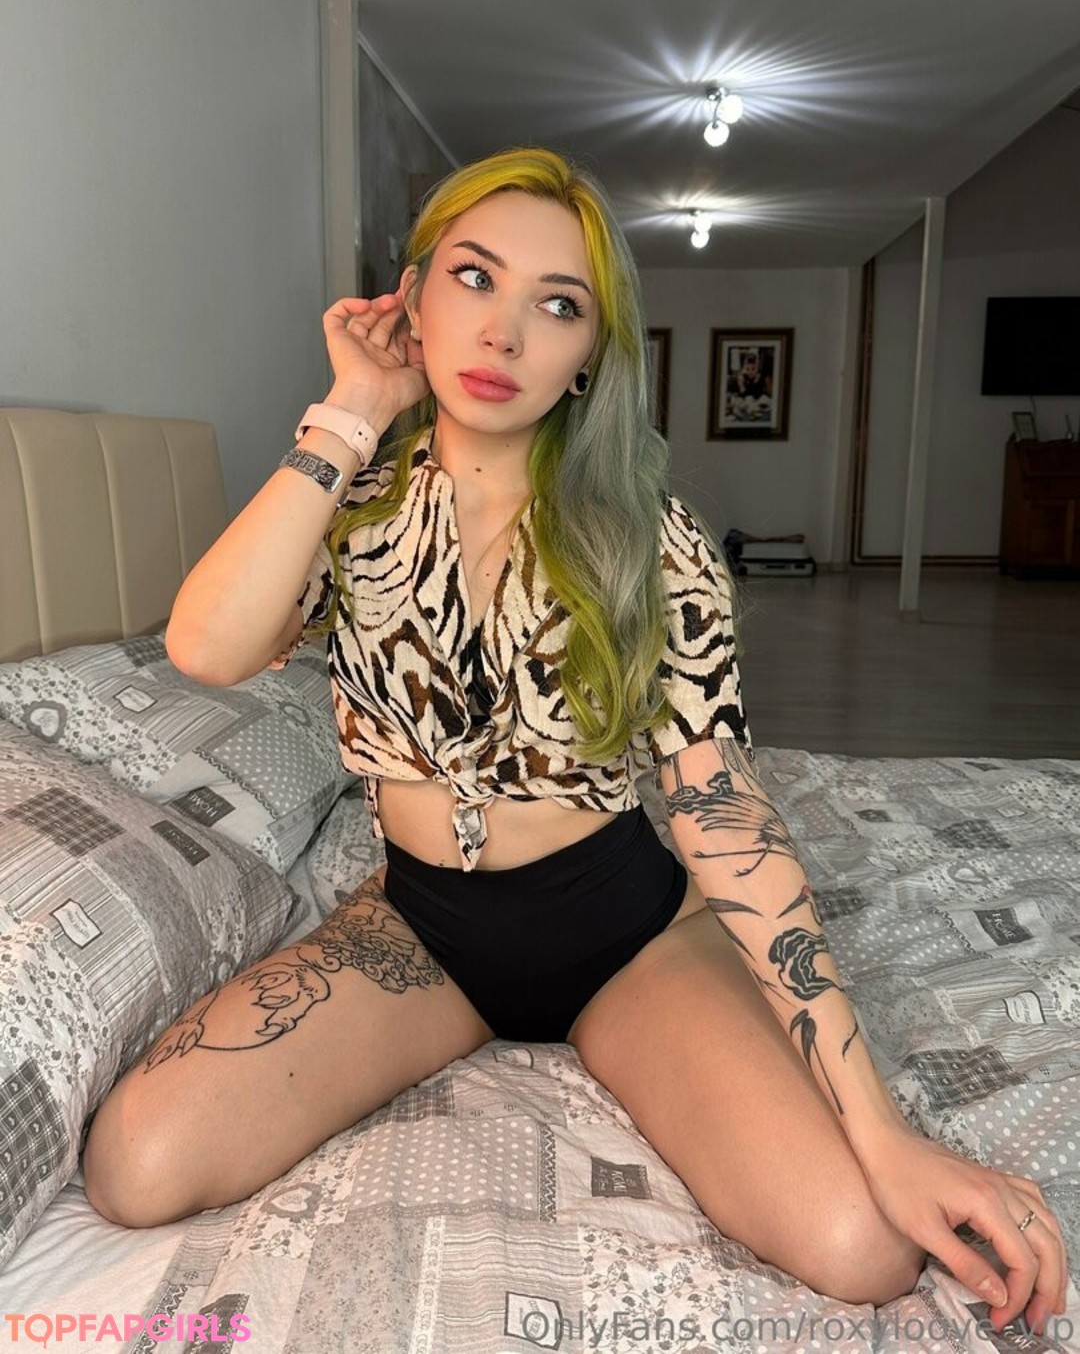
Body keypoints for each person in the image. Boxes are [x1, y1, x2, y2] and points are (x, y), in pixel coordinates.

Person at [82, 147, 1067, 1335]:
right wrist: (351, 409)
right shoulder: (353, 505)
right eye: (474, 278)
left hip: (625, 935)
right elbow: (205, 645)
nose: (504, 332)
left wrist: (887, 1134)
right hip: (422, 932)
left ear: (591, 351)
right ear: (412, 298)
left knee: (863, 1245)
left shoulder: (649, 537)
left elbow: (723, 813)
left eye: (558, 305)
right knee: (135, 1163)